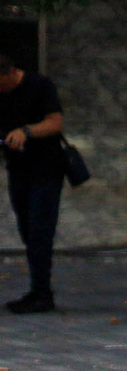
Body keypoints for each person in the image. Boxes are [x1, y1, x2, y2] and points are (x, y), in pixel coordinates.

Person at [0, 52, 65, 314]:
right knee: (28, 229)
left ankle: (42, 293)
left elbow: (55, 123)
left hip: (46, 168)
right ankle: (37, 289)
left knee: (40, 230)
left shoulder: (40, 86)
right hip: (18, 170)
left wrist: (26, 131)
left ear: (11, 73)